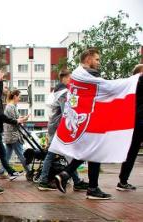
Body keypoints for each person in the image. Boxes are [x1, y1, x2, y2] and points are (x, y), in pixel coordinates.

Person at [54, 48, 110, 199]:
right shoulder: (91, 75)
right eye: (97, 59)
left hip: (82, 119)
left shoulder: (77, 76)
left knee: (88, 152)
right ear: (88, 59)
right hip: (91, 119)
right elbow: (107, 90)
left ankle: (65, 174)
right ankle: (92, 188)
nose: (99, 62)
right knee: (94, 153)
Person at [37, 69, 89, 191]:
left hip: (55, 127)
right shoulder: (63, 93)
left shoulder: (57, 91)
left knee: (67, 154)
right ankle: (43, 181)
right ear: (65, 78)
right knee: (52, 155)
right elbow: (67, 111)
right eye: (71, 78)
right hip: (59, 129)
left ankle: (76, 181)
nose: (72, 81)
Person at [116, 64, 143, 191]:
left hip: (134, 122)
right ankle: (123, 181)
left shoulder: (131, 86)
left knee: (131, 153)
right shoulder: (140, 81)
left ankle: (123, 180)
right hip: (140, 121)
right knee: (131, 152)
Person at [0, 90, 31, 178]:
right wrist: (24, 119)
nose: (20, 98)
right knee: (22, 154)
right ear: (15, 96)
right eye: (19, 96)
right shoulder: (11, 107)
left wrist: (22, 118)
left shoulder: (11, 106)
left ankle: (1, 172)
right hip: (14, 135)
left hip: (9, 135)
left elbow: (15, 118)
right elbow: (14, 121)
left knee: (7, 155)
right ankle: (29, 172)